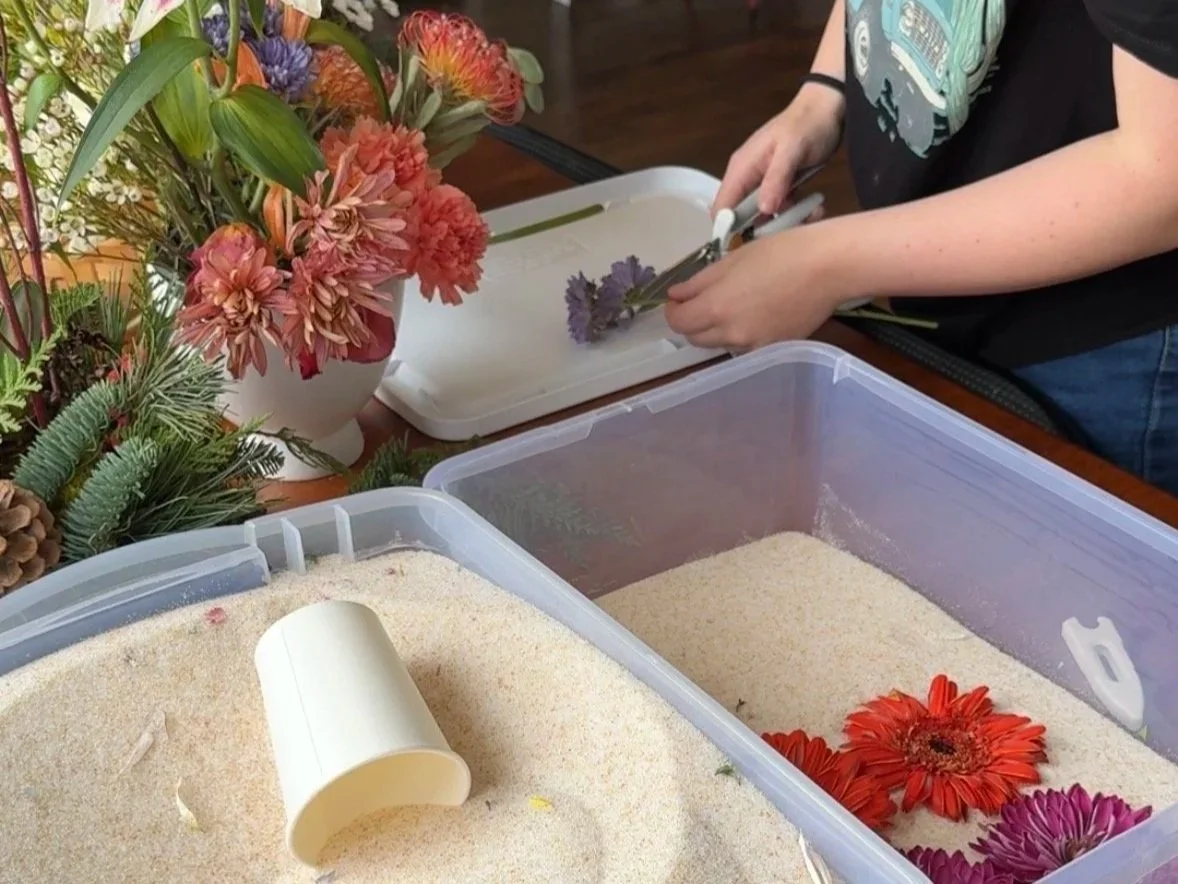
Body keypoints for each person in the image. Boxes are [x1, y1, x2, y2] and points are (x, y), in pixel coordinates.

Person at [663, 0, 1178, 495]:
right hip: (943, 275)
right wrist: (825, 89)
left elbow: (1163, 180)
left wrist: (831, 263)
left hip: (1100, 349)